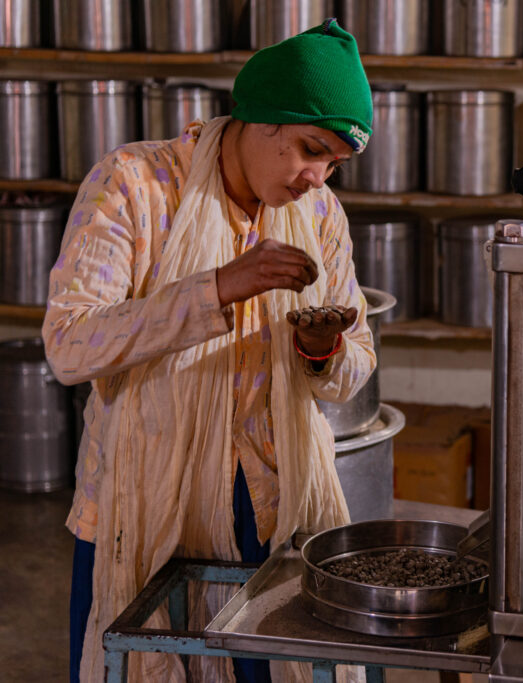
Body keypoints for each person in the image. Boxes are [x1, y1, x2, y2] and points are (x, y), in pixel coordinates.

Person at [43, 19, 376, 683]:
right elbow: (69, 344)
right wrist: (216, 288)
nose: (317, 176)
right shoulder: (135, 187)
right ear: (260, 120)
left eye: (334, 162)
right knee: (144, 657)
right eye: (311, 149)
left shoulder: (318, 216)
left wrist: (322, 349)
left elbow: (356, 362)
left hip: (268, 507)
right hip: (138, 506)